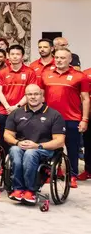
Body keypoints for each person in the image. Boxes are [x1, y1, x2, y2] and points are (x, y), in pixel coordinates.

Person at [4, 84, 66, 204]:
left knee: (30, 153)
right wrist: (17, 142)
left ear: (42, 96)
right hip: (21, 146)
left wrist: (37, 146)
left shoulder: (54, 115)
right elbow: (7, 135)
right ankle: (18, 189)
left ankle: (30, 190)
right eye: (30, 94)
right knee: (15, 150)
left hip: (44, 149)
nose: (33, 97)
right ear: (25, 96)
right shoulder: (16, 113)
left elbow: (60, 141)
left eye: (36, 94)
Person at [40, 49, 89, 188]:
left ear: (70, 60)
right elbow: (40, 96)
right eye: (57, 57)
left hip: (71, 118)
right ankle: (51, 172)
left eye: (62, 58)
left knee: (72, 148)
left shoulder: (80, 76)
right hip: (49, 118)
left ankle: (72, 175)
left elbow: (85, 99)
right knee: (50, 146)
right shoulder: (46, 74)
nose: (59, 60)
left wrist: (84, 119)